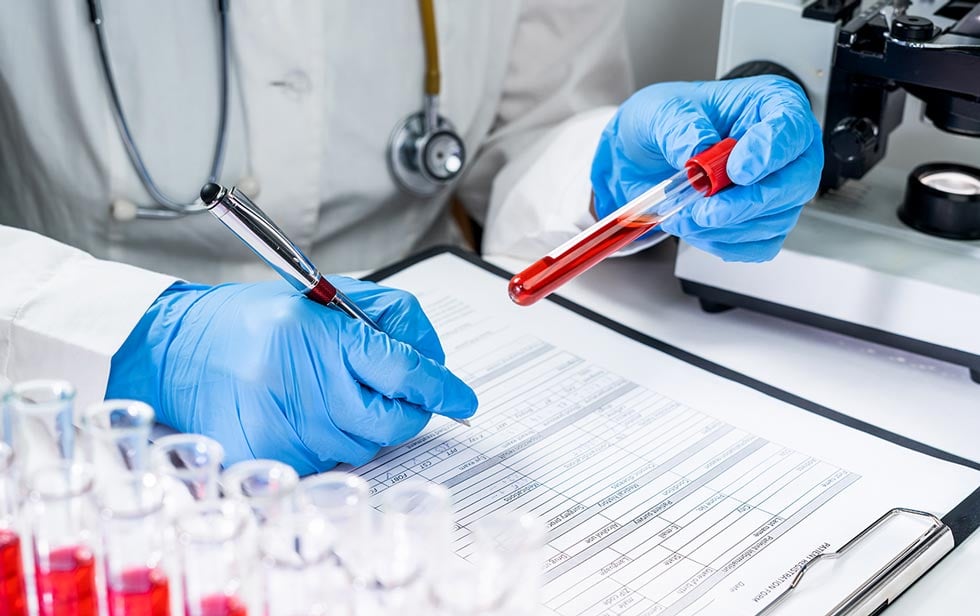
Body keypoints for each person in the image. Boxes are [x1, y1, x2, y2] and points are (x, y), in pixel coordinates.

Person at [0, 1, 821, 475]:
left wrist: (607, 174)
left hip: (412, 331)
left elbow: (528, 130)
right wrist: (143, 336)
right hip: (61, 391)